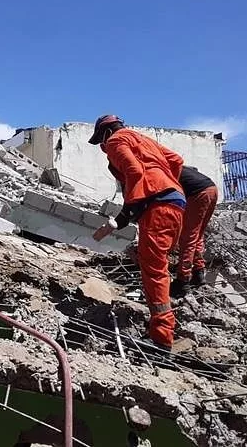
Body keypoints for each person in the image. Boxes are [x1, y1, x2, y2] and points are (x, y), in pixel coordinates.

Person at [90, 115, 185, 352]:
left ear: (105, 133)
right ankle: (162, 328)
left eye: (100, 143)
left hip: (158, 205)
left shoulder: (115, 141)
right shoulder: (143, 139)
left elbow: (133, 171)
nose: (103, 148)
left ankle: (161, 340)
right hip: (175, 201)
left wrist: (135, 202)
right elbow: (176, 160)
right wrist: (164, 182)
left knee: (153, 269)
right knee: (157, 264)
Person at [170, 166, 218, 297]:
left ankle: (182, 281)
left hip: (198, 193)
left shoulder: (159, 171)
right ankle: (199, 273)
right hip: (211, 189)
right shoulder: (176, 168)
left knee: (187, 238)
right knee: (198, 235)